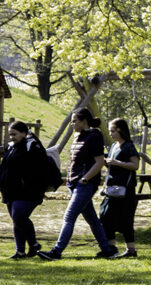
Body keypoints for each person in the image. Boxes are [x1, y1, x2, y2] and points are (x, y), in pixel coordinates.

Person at [38, 108, 118, 260]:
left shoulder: (94, 135)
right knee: (92, 220)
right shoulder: (77, 136)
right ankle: (108, 250)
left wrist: (85, 179)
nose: (72, 123)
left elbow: (99, 162)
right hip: (73, 184)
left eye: (75, 120)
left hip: (85, 184)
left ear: (84, 121)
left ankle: (57, 251)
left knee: (69, 217)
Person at [0, 121, 47, 259]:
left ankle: (33, 244)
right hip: (10, 190)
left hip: (28, 190)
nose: (12, 137)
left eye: (14, 134)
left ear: (24, 133)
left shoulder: (32, 146)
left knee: (19, 215)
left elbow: (40, 167)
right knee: (16, 220)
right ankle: (20, 251)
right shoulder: (11, 147)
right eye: (10, 134)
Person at [99, 118, 141, 258]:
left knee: (126, 219)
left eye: (113, 131)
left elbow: (135, 165)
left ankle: (131, 250)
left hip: (125, 189)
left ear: (121, 130)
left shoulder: (129, 146)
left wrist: (116, 162)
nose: (110, 134)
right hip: (111, 188)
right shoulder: (114, 146)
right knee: (105, 216)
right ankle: (111, 247)